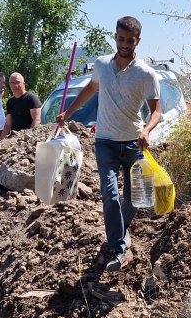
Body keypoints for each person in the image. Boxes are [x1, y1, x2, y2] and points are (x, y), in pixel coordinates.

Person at [57, 16, 161, 271]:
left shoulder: (146, 74)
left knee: (135, 199)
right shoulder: (102, 65)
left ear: (138, 41)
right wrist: (67, 114)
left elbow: (157, 111)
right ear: (115, 36)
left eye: (130, 40)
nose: (124, 44)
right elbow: (90, 90)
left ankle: (120, 232)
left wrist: (147, 130)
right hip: (105, 141)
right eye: (121, 39)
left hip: (134, 145)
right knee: (110, 194)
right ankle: (118, 249)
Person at [3, 72, 41, 137]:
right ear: (9, 85)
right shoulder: (10, 101)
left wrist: (27, 138)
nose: (15, 85)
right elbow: (8, 124)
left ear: (23, 84)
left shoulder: (31, 99)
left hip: (28, 138)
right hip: (14, 138)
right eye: (13, 83)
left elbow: (36, 120)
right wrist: (2, 141)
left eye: (18, 82)